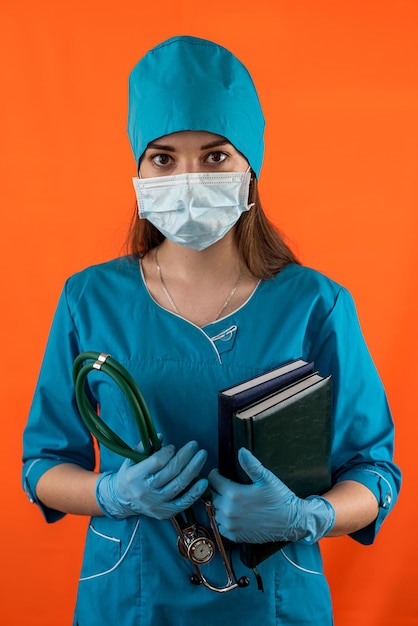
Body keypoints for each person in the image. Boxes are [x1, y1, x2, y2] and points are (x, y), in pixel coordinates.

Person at [22, 35, 401, 626]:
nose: (190, 177)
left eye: (216, 156)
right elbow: (42, 466)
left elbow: (374, 473)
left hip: (273, 599)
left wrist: (308, 518)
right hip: (132, 597)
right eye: (165, 158)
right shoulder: (88, 299)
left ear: (250, 167)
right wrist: (110, 495)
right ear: (140, 170)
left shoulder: (315, 305)